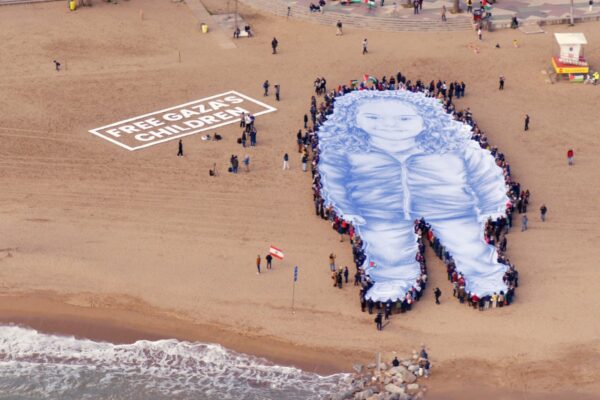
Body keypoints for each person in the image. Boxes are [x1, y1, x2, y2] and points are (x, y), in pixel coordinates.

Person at [318, 91, 511, 303]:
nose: (390, 124)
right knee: (386, 245)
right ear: (353, 119)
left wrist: (492, 204)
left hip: (450, 208)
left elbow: (485, 174)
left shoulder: (454, 146)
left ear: (426, 119)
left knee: (467, 242)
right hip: (380, 210)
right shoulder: (345, 151)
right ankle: (392, 279)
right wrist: (346, 208)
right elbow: (333, 179)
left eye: (405, 118)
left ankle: (483, 275)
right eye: (373, 118)